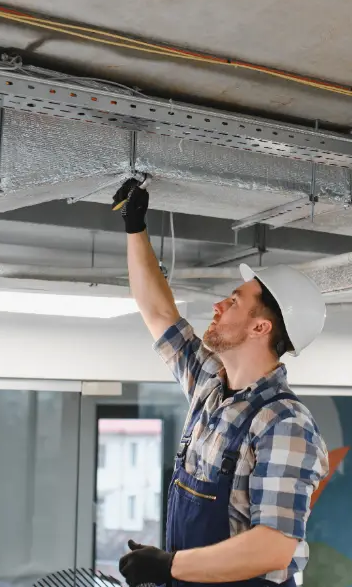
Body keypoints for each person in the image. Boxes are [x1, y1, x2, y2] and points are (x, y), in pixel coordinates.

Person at [111, 178, 330, 587]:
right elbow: (159, 313)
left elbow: (273, 547)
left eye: (233, 301)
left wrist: (169, 565)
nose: (217, 305)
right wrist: (135, 227)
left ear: (260, 326)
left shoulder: (286, 424)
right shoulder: (210, 384)